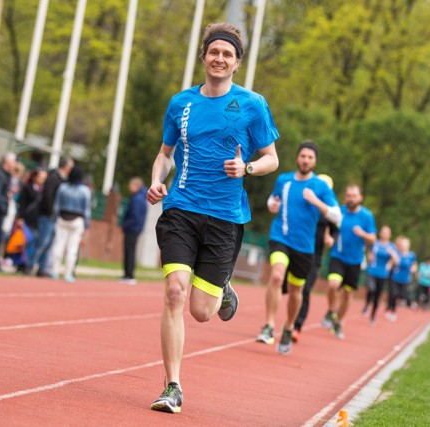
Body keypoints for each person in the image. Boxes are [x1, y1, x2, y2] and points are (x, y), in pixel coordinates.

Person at [147, 22, 279, 414]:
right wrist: (157, 180)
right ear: (204, 56)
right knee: (174, 291)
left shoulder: (253, 104)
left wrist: (248, 169)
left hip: (225, 217)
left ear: (236, 63)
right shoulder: (181, 103)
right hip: (182, 209)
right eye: (214, 52)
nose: (219, 59)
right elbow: (165, 153)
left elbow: (271, 158)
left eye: (228, 54)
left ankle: (221, 286)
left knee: (202, 312)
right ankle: (172, 386)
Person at [255, 142, 340, 355]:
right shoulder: (283, 180)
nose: (305, 160)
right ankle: (269, 325)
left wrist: (316, 202)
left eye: (310, 157)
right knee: (276, 276)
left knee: (296, 292)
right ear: (297, 158)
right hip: (280, 237)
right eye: (303, 156)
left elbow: (337, 216)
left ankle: (289, 326)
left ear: (315, 161)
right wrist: (271, 205)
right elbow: (272, 201)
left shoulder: (321, 187)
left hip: (304, 246)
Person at [281, 173, 338, 344]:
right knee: (288, 286)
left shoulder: (327, 209)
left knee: (304, 289)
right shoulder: (305, 202)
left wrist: (331, 239)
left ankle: (296, 326)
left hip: (314, 256)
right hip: (295, 248)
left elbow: (335, 230)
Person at [321, 184, 376, 339]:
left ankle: (338, 323)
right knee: (333, 284)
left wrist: (363, 234)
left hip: (355, 260)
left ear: (360, 198)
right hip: (338, 256)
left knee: (347, 294)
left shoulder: (366, 216)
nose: (351, 198)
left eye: (354, 195)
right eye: (348, 195)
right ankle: (332, 310)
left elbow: (373, 238)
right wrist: (329, 238)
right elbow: (329, 227)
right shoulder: (340, 212)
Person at [28, 157, 74, 277]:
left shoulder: (64, 180)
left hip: (56, 216)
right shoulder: (54, 178)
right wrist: (50, 211)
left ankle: (42, 268)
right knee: (42, 241)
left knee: (49, 243)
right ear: (66, 167)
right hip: (47, 215)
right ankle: (30, 265)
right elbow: (47, 195)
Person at [50, 165, 92, 283]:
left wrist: (55, 218)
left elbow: (56, 205)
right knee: (72, 248)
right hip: (77, 220)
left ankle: (54, 271)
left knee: (58, 245)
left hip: (62, 218)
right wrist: (87, 225)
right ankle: (68, 274)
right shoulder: (85, 191)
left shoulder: (63, 187)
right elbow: (87, 210)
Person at [362, 225, 398, 325]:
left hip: (382, 273)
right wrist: (369, 257)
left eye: (386, 233)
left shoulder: (391, 246)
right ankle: (367, 304)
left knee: (377, 295)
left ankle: (372, 316)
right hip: (372, 270)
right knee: (371, 289)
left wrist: (391, 258)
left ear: (390, 235)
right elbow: (369, 253)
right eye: (383, 232)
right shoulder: (375, 243)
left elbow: (396, 260)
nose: (384, 234)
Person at [118, 177, 148, 285]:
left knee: (129, 251)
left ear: (136, 186)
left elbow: (134, 216)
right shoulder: (141, 198)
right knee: (130, 251)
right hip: (135, 228)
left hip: (132, 229)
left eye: (131, 185)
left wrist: (125, 225)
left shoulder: (137, 199)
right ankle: (128, 274)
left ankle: (129, 275)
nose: (129, 188)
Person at [385, 236, 417, 321]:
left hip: (405, 279)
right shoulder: (397, 253)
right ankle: (392, 311)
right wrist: (390, 263)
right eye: (402, 245)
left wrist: (414, 268)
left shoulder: (411, 255)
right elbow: (392, 262)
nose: (404, 246)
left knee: (402, 295)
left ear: (408, 245)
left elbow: (414, 264)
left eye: (405, 245)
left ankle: (411, 303)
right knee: (394, 294)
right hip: (395, 277)